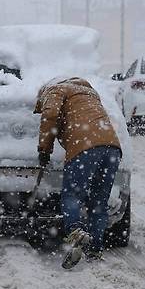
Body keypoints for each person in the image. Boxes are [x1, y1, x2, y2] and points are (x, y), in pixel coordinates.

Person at [34, 77, 122, 269]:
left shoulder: (55, 90)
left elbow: (49, 116)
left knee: (72, 194)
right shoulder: (90, 93)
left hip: (85, 147)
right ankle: (95, 248)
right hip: (112, 148)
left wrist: (44, 150)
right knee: (99, 201)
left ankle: (76, 232)